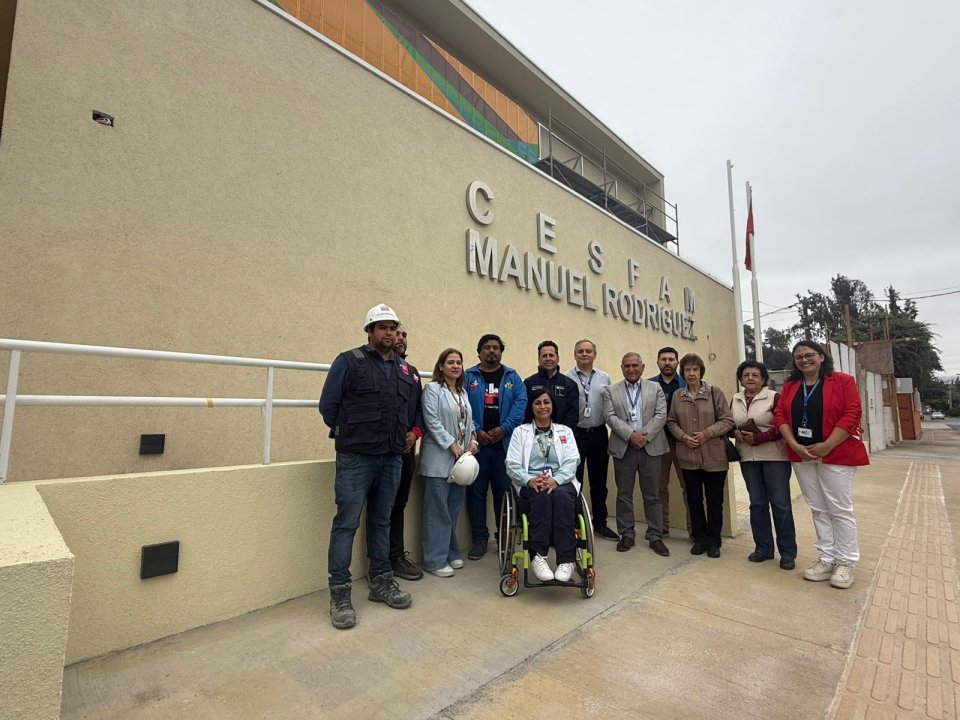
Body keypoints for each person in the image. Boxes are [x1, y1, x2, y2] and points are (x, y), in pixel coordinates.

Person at [319, 303, 417, 629]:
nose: (389, 333)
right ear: (370, 331)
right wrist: (352, 434)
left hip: (391, 458)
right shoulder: (349, 361)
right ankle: (340, 593)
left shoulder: (403, 370)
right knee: (346, 523)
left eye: (393, 328)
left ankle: (381, 582)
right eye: (383, 327)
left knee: (381, 521)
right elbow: (328, 406)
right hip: (356, 458)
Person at [775, 341, 869, 589]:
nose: (804, 360)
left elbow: (852, 413)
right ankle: (827, 557)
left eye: (809, 355)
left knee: (839, 508)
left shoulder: (843, 381)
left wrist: (827, 445)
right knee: (818, 508)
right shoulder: (791, 385)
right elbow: (780, 415)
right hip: (802, 454)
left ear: (821, 357)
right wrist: (794, 444)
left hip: (835, 453)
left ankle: (845, 562)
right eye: (798, 357)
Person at [505, 387, 581, 582]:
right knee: (541, 495)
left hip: (561, 481)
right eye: (537, 403)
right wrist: (529, 480)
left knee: (561, 496)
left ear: (552, 406)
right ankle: (538, 555)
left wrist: (556, 480)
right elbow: (511, 464)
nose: (542, 406)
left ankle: (567, 560)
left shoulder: (565, 431)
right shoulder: (520, 432)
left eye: (546, 402)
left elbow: (572, 461)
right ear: (531, 407)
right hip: (531, 481)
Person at [464, 334, 527, 560]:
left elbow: (521, 404)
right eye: (487, 347)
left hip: (504, 447)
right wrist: (477, 429)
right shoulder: (468, 376)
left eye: (496, 348)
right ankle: (479, 540)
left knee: (504, 494)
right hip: (477, 447)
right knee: (476, 494)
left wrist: (504, 428)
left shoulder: (512, 377)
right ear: (479, 352)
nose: (491, 351)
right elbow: (461, 405)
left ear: (501, 352)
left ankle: (504, 537)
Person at [665, 353, 735, 558]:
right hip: (688, 457)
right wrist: (683, 436)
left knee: (714, 501)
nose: (691, 373)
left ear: (701, 371)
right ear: (683, 373)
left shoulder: (715, 392)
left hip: (714, 456)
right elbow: (671, 421)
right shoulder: (678, 395)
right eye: (687, 370)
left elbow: (727, 420)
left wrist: (706, 434)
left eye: (695, 369)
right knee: (693, 500)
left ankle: (714, 541)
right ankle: (700, 538)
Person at [731, 360, 797, 570]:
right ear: (740, 379)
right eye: (746, 375)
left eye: (755, 375)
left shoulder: (774, 397)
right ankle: (763, 548)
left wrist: (759, 438)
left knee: (780, 504)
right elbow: (730, 423)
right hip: (747, 458)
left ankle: (787, 553)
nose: (750, 378)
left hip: (774, 457)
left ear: (764, 379)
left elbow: (783, 425)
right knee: (757, 504)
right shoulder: (735, 399)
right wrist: (735, 433)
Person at [603, 352, 670, 556]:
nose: (631, 369)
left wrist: (644, 437)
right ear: (621, 368)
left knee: (653, 494)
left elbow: (661, 415)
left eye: (635, 365)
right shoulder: (611, 390)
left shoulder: (655, 388)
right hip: (624, 448)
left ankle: (655, 536)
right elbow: (610, 416)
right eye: (627, 366)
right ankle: (627, 534)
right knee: (624, 494)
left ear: (642, 367)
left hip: (650, 447)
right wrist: (631, 435)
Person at [419, 349, 478, 577]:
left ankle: (451, 552)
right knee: (437, 512)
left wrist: (473, 440)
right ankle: (434, 560)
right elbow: (431, 421)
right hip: (438, 460)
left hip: (460, 461)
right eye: (450, 362)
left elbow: (469, 421)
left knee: (452, 510)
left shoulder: (462, 392)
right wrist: (451, 444)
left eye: (459, 362)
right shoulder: (433, 389)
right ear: (441, 366)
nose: (455, 366)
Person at [565, 339, 618, 540]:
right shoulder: (567, 378)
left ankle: (600, 523)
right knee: (574, 481)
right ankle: (574, 525)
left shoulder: (604, 377)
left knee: (599, 482)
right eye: (580, 351)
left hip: (598, 434)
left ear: (594, 355)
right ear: (575, 355)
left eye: (588, 351)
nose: (584, 354)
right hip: (576, 435)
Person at [388, 323, 425, 582]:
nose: (400, 338)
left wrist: (414, 433)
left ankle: (396, 556)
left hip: (407, 450)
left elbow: (419, 409)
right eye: (397, 333)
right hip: (382, 451)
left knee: (399, 504)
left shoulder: (412, 373)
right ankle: (379, 562)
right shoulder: (377, 367)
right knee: (381, 507)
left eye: (404, 335)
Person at [648, 346, 690, 538]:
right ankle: (661, 526)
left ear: (677, 362)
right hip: (658, 443)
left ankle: (693, 528)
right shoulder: (648, 385)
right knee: (659, 488)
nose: (667, 363)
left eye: (671, 359)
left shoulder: (687, 384)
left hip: (683, 443)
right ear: (658, 362)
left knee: (688, 487)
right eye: (663, 359)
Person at [523, 340, 580, 429]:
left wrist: (562, 433)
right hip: (534, 432)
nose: (548, 358)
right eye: (544, 356)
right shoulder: (528, 383)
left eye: (551, 355)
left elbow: (572, 415)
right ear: (539, 359)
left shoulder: (570, 385)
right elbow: (525, 411)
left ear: (558, 358)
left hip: (561, 433)